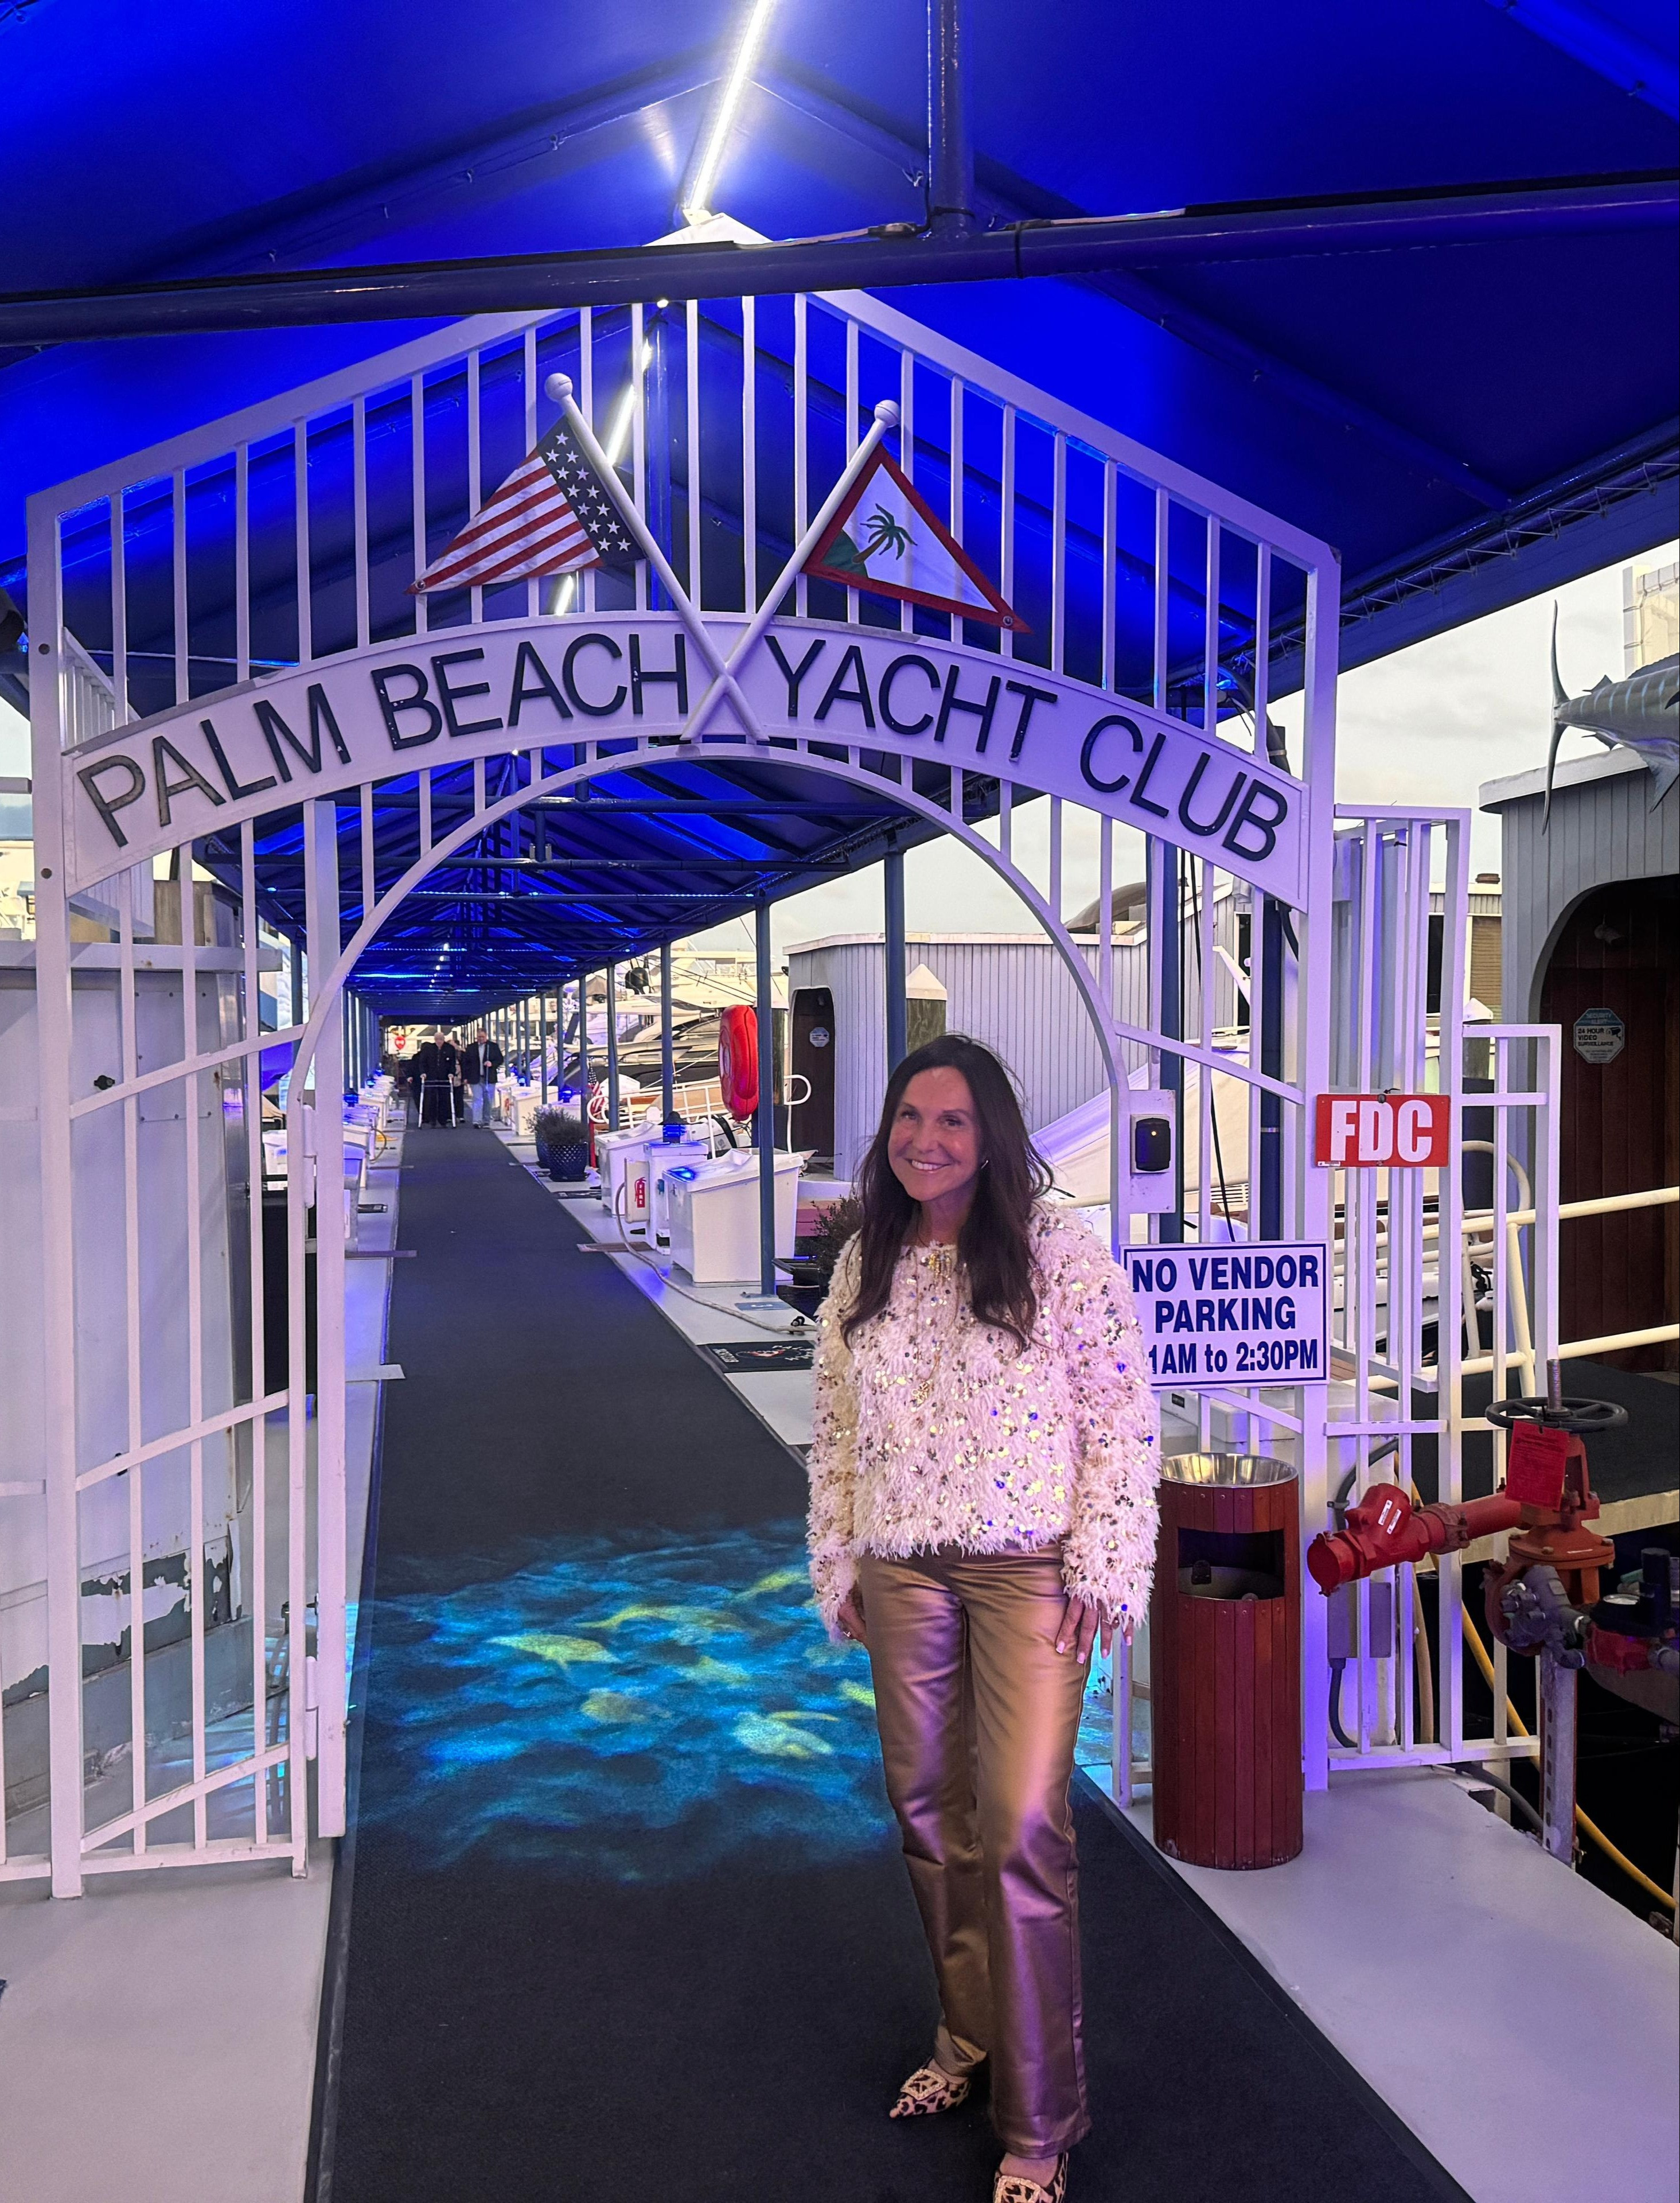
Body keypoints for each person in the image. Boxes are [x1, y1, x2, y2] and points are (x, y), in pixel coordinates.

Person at [806, 1035, 1159, 2203]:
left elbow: (1120, 1416)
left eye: (952, 1121)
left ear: (993, 1134)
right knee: (925, 1810)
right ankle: (966, 2035)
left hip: (1030, 1573)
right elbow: (836, 1433)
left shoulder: (1061, 1252)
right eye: (911, 1117)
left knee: (1015, 1823)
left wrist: (1108, 1561)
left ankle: (1041, 2119)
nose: (925, 1140)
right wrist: (839, 1559)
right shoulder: (870, 1261)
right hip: (904, 1565)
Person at [459, 1030, 504, 1124]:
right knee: (477, 1099)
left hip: (489, 1077)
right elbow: (465, 1063)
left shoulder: (493, 1047)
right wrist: (465, 1077)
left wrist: (492, 1064)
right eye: (479, 1037)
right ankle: (477, 1121)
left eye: (483, 1037)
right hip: (475, 1077)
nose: (481, 1039)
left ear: (486, 1036)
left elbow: (500, 1059)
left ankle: (486, 1120)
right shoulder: (471, 1048)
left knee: (488, 1100)